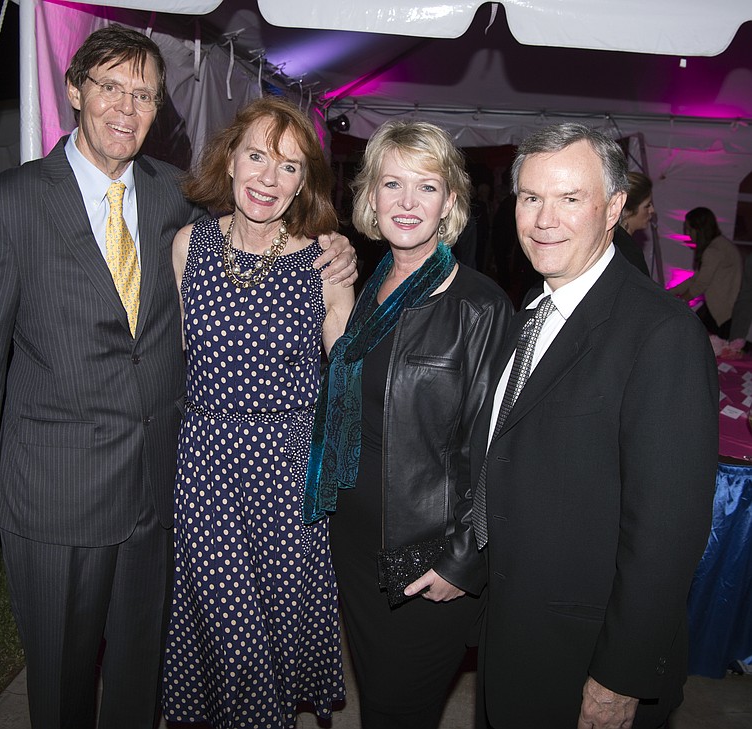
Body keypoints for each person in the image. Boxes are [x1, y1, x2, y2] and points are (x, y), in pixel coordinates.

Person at [0, 26, 355, 729]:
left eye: (145, 94)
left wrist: (334, 244)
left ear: (160, 108)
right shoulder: (7, 205)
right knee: (64, 687)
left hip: (163, 495)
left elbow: (263, 236)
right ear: (74, 91)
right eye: (110, 88)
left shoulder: (177, 201)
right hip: (55, 496)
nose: (127, 109)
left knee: (143, 681)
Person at [462, 123, 717, 728]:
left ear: (614, 209)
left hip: (584, 657)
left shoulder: (661, 334)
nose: (545, 219)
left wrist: (619, 678)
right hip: (513, 633)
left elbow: (667, 531)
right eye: (531, 198)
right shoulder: (532, 306)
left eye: (570, 199)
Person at [304, 120, 512, 729]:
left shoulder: (479, 305)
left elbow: (499, 451)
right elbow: (350, 370)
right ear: (370, 196)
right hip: (354, 541)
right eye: (392, 184)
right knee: (379, 704)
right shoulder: (373, 288)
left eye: (427, 187)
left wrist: (463, 560)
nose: (407, 202)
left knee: (400, 710)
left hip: (423, 557)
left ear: (450, 201)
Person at [162, 96, 355, 729]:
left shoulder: (323, 263)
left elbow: (352, 374)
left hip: (286, 471)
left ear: (306, 182)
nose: (269, 180)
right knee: (231, 625)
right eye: (257, 157)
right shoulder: (188, 247)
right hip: (208, 463)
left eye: (291, 167)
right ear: (230, 159)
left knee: (272, 623)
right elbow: (180, 357)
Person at [669, 206, 742, 338]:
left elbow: (701, 284)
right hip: (721, 309)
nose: (688, 234)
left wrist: (681, 301)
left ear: (700, 230)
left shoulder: (714, 250)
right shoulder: (719, 245)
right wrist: (670, 293)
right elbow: (696, 279)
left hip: (723, 311)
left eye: (690, 229)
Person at [614, 170, 652, 276]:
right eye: (647, 205)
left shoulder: (615, 243)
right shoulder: (627, 250)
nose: (652, 210)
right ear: (627, 211)